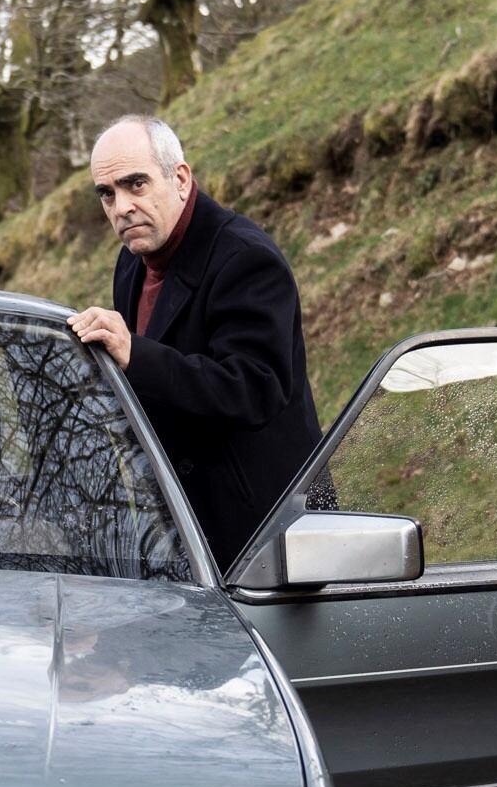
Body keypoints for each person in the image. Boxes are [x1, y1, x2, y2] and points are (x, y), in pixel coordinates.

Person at [68, 114, 319, 570]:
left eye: (135, 184)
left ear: (180, 179)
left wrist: (134, 355)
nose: (120, 207)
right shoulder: (131, 264)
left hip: (270, 538)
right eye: (107, 193)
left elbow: (253, 389)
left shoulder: (246, 259)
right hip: (183, 533)